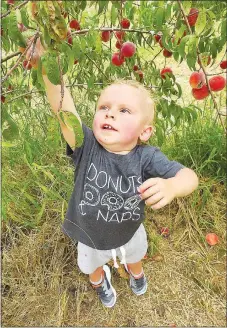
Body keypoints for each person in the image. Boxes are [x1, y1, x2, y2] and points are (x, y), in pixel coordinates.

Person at [27, 38, 199, 308]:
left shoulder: (147, 157)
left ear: (145, 131)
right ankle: (100, 282)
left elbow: (190, 177)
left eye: (124, 111)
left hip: (129, 231)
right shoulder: (86, 146)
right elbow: (63, 110)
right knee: (92, 265)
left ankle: (136, 273)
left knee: (135, 255)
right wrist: (49, 69)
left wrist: (173, 187)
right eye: (103, 107)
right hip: (89, 235)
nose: (110, 115)